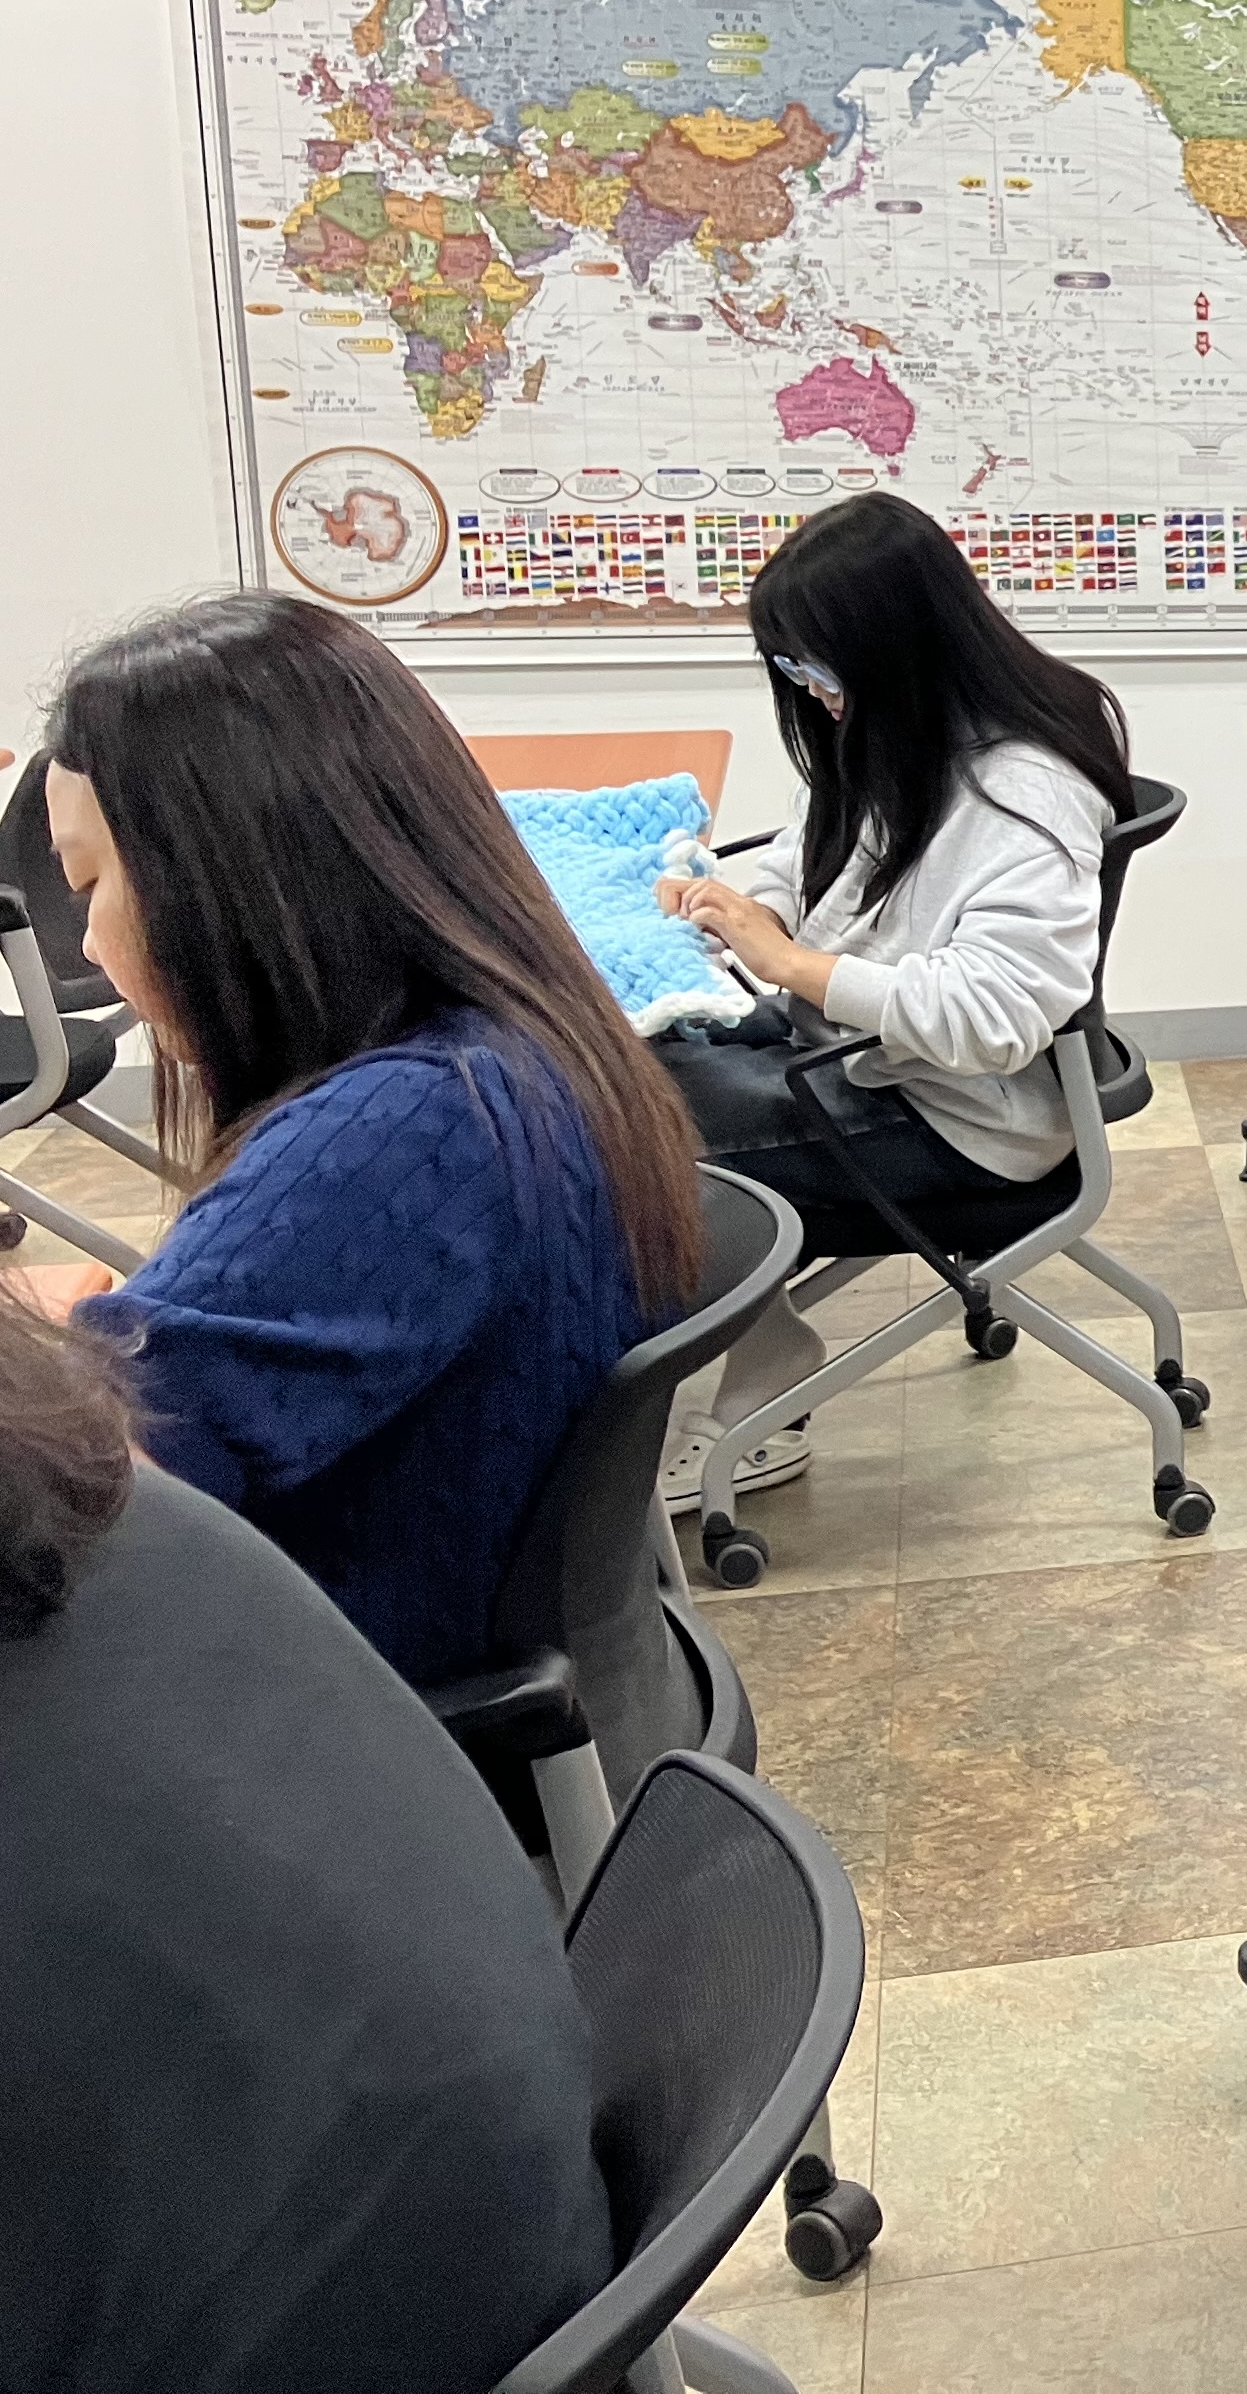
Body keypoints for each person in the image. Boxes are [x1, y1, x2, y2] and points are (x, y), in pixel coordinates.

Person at [41, 597, 705, 1685]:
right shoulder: (518, 1056)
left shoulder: (400, 1131)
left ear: (219, 872)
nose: (89, 941)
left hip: (345, 1707)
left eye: (91, 884)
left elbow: (84, 1499)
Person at [0, 1303, 614, 2394]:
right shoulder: (105, 1486)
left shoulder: (369, 1172)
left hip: (356, 2314)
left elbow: (195, 1382)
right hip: (519, 2212)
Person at [650, 491, 1140, 1495]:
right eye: (792, 669)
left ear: (895, 647)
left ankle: (762, 1382)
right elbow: (809, 852)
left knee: (630, 1151)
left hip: (960, 1116)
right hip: (865, 1056)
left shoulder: (1025, 791)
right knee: (624, 1074)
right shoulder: (904, 730)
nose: (809, 690)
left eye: (817, 667)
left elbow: (994, 1019)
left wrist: (788, 964)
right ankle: (761, 1344)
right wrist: (738, 906)